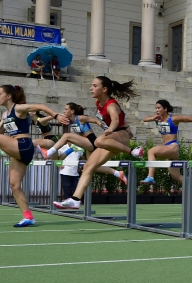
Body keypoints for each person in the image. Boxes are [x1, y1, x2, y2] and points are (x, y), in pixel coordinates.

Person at [0, 85, 64, 227]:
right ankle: (28, 217)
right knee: (14, 185)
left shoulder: (18, 109)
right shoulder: (5, 115)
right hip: (17, 151)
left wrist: (57, 115)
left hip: (24, 144)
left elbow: (41, 106)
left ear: (8, 96)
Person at [53, 76, 142, 210]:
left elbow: (116, 120)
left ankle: (132, 151)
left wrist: (111, 129)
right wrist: (127, 127)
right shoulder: (98, 104)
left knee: (99, 140)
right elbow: (122, 116)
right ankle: (75, 199)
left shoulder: (111, 105)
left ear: (104, 89)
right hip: (111, 140)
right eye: (91, 85)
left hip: (120, 136)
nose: (91, 88)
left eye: (95, 86)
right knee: (88, 166)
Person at [139, 99, 192, 203]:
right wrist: (152, 117)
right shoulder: (157, 119)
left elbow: (190, 118)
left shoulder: (173, 119)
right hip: (167, 150)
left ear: (165, 109)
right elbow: (144, 119)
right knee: (176, 176)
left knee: (151, 151)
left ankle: (150, 176)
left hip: (173, 147)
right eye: (155, 108)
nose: (156, 110)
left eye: (159, 108)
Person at [38, 102, 128, 185]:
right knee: (90, 167)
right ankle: (117, 173)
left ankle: (48, 153)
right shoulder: (69, 119)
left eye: (66, 109)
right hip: (86, 144)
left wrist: (106, 129)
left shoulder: (80, 118)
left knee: (66, 136)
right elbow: (51, 117)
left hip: (91, 140)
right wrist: (55, 115)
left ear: (72, 111)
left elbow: (96, 121)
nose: (64, 111)